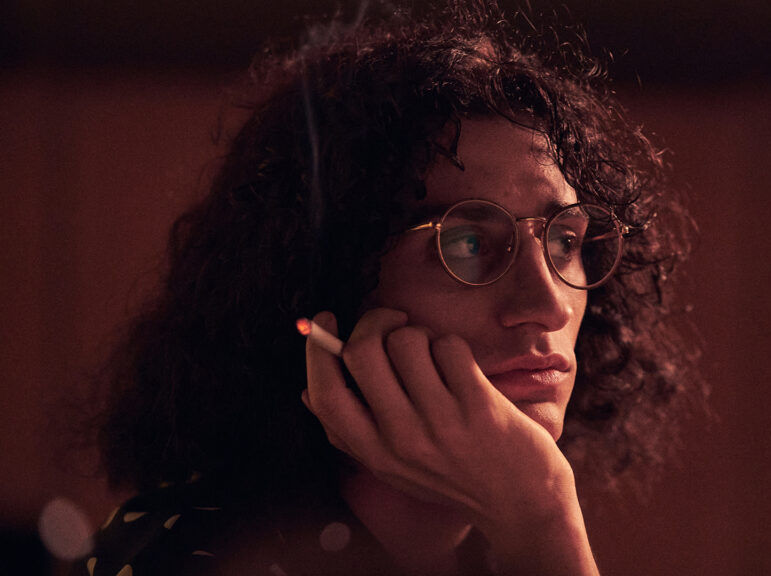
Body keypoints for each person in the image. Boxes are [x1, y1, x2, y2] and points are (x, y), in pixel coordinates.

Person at [74, 1, 703, 574]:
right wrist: (541, 517)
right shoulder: (189, 555)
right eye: (468, 243)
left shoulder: (495, 551)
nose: (547, 304)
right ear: (325, 281)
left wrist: (538, 527)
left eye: (564, 241)